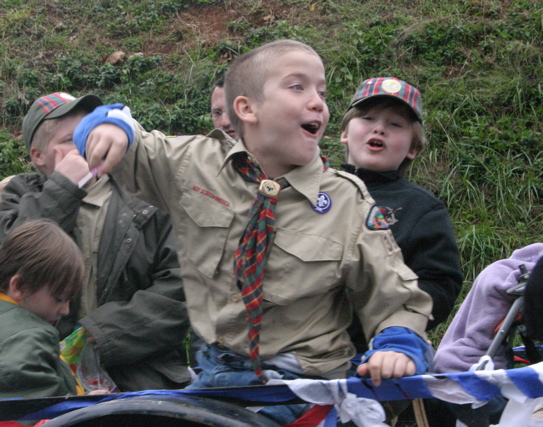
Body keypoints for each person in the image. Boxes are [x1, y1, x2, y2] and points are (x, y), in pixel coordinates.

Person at [73, 40, 432, 424]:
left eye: (322, 93)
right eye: (298, 87)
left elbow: (396, 299)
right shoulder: (195, 164)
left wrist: (398, 345)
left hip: (303, 389)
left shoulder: (347, 201)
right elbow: (131, 143)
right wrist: (106, 126)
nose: (318, 103)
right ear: (246, 109)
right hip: (214, 380)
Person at [0, 92, 191, 392]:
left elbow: (183, 287)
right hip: (35, 369)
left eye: (88, 134)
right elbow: (11, 262)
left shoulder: (148, 196)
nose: (86, 146)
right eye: (70, 139)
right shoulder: (14, 195)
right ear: (38, 156)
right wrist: (64, 187)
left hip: (142, 375)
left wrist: (99, 335)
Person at [339, 77, 463, 424]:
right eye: (367, 119)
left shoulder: (422, 208)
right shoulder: (310, 192)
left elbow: (440, 282)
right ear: (345, 133)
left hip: (380, 358)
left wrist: (393, 331)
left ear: (412, 148)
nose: (379, 129)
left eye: (394, 125)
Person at [0, 219, 84, 399]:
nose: (65, 310)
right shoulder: (29, 337)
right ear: (20, 286)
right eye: (59, 298)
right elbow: (44, 411)